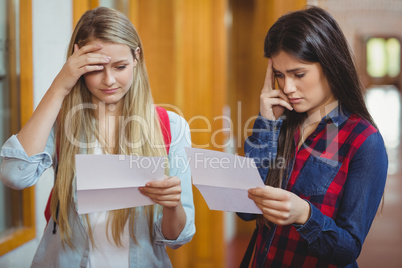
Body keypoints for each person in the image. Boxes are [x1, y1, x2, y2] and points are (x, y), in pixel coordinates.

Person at [0, 6, 195, 267]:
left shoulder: (171, 126)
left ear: (137, 57)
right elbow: (15, 175)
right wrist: (60, 85)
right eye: (95, 68)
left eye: (120, 66)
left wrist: (172, 206)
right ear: (76, 64)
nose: (109, 80)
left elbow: (176, 238)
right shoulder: (61, 122)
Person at [239, 6, 388, 268]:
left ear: (330, 65)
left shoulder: (364, 141)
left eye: (298, 74)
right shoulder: (279, 123)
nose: (287, 87)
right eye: (279, 75)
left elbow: (347, 250)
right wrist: (266, 124)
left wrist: (305, 216)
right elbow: (244, 210)